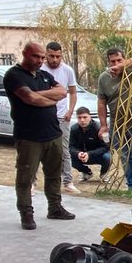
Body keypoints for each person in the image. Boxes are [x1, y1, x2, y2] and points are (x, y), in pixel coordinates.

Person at [5, 40, 71, 229]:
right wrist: (50, 98)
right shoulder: (14, 75)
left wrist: (41, 95)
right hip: (29, 137)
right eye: (36, 56)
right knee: (25, 178)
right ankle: (26, 213)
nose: (40, 60)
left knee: (54, 174)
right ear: (25, 54)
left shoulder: (43, 75)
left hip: (53, 133)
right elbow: (31, 98)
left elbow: (62, 91)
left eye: (42, 57)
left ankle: (55, 208)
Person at [97, 46, 132, 190]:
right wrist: (103, 125)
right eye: (112, 61)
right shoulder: (104, 78)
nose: (115, 64)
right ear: (108, 62)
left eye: (119, 60)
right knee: (125, 156)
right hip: (117, 123)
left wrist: (122, 66)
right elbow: (101, 102)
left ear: (124, 59)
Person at [43, 41, 80, 195]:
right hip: (44, 115)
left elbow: (73, 92)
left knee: (64, 150)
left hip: (62, 116)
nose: (55, 59)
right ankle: (33, 182)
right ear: (46, 54)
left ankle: (68, 182)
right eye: (51, 56)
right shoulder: (40, 69)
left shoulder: (67, 70)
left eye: (58, 56)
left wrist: (70, 110)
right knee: (40, 149)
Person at [69, 106, 111, 181]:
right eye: (79, 117)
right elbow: (71, 147)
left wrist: (89, 154)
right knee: (68, 158)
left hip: (97, 155)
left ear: (90, 117)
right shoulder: (74, 129)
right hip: (82, 155)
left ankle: (104, 173)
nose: (82, 120)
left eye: (85, 117)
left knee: (107, 157)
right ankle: (86, 172)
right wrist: (78, 153)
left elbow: (106, 147)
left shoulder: (98, 128)